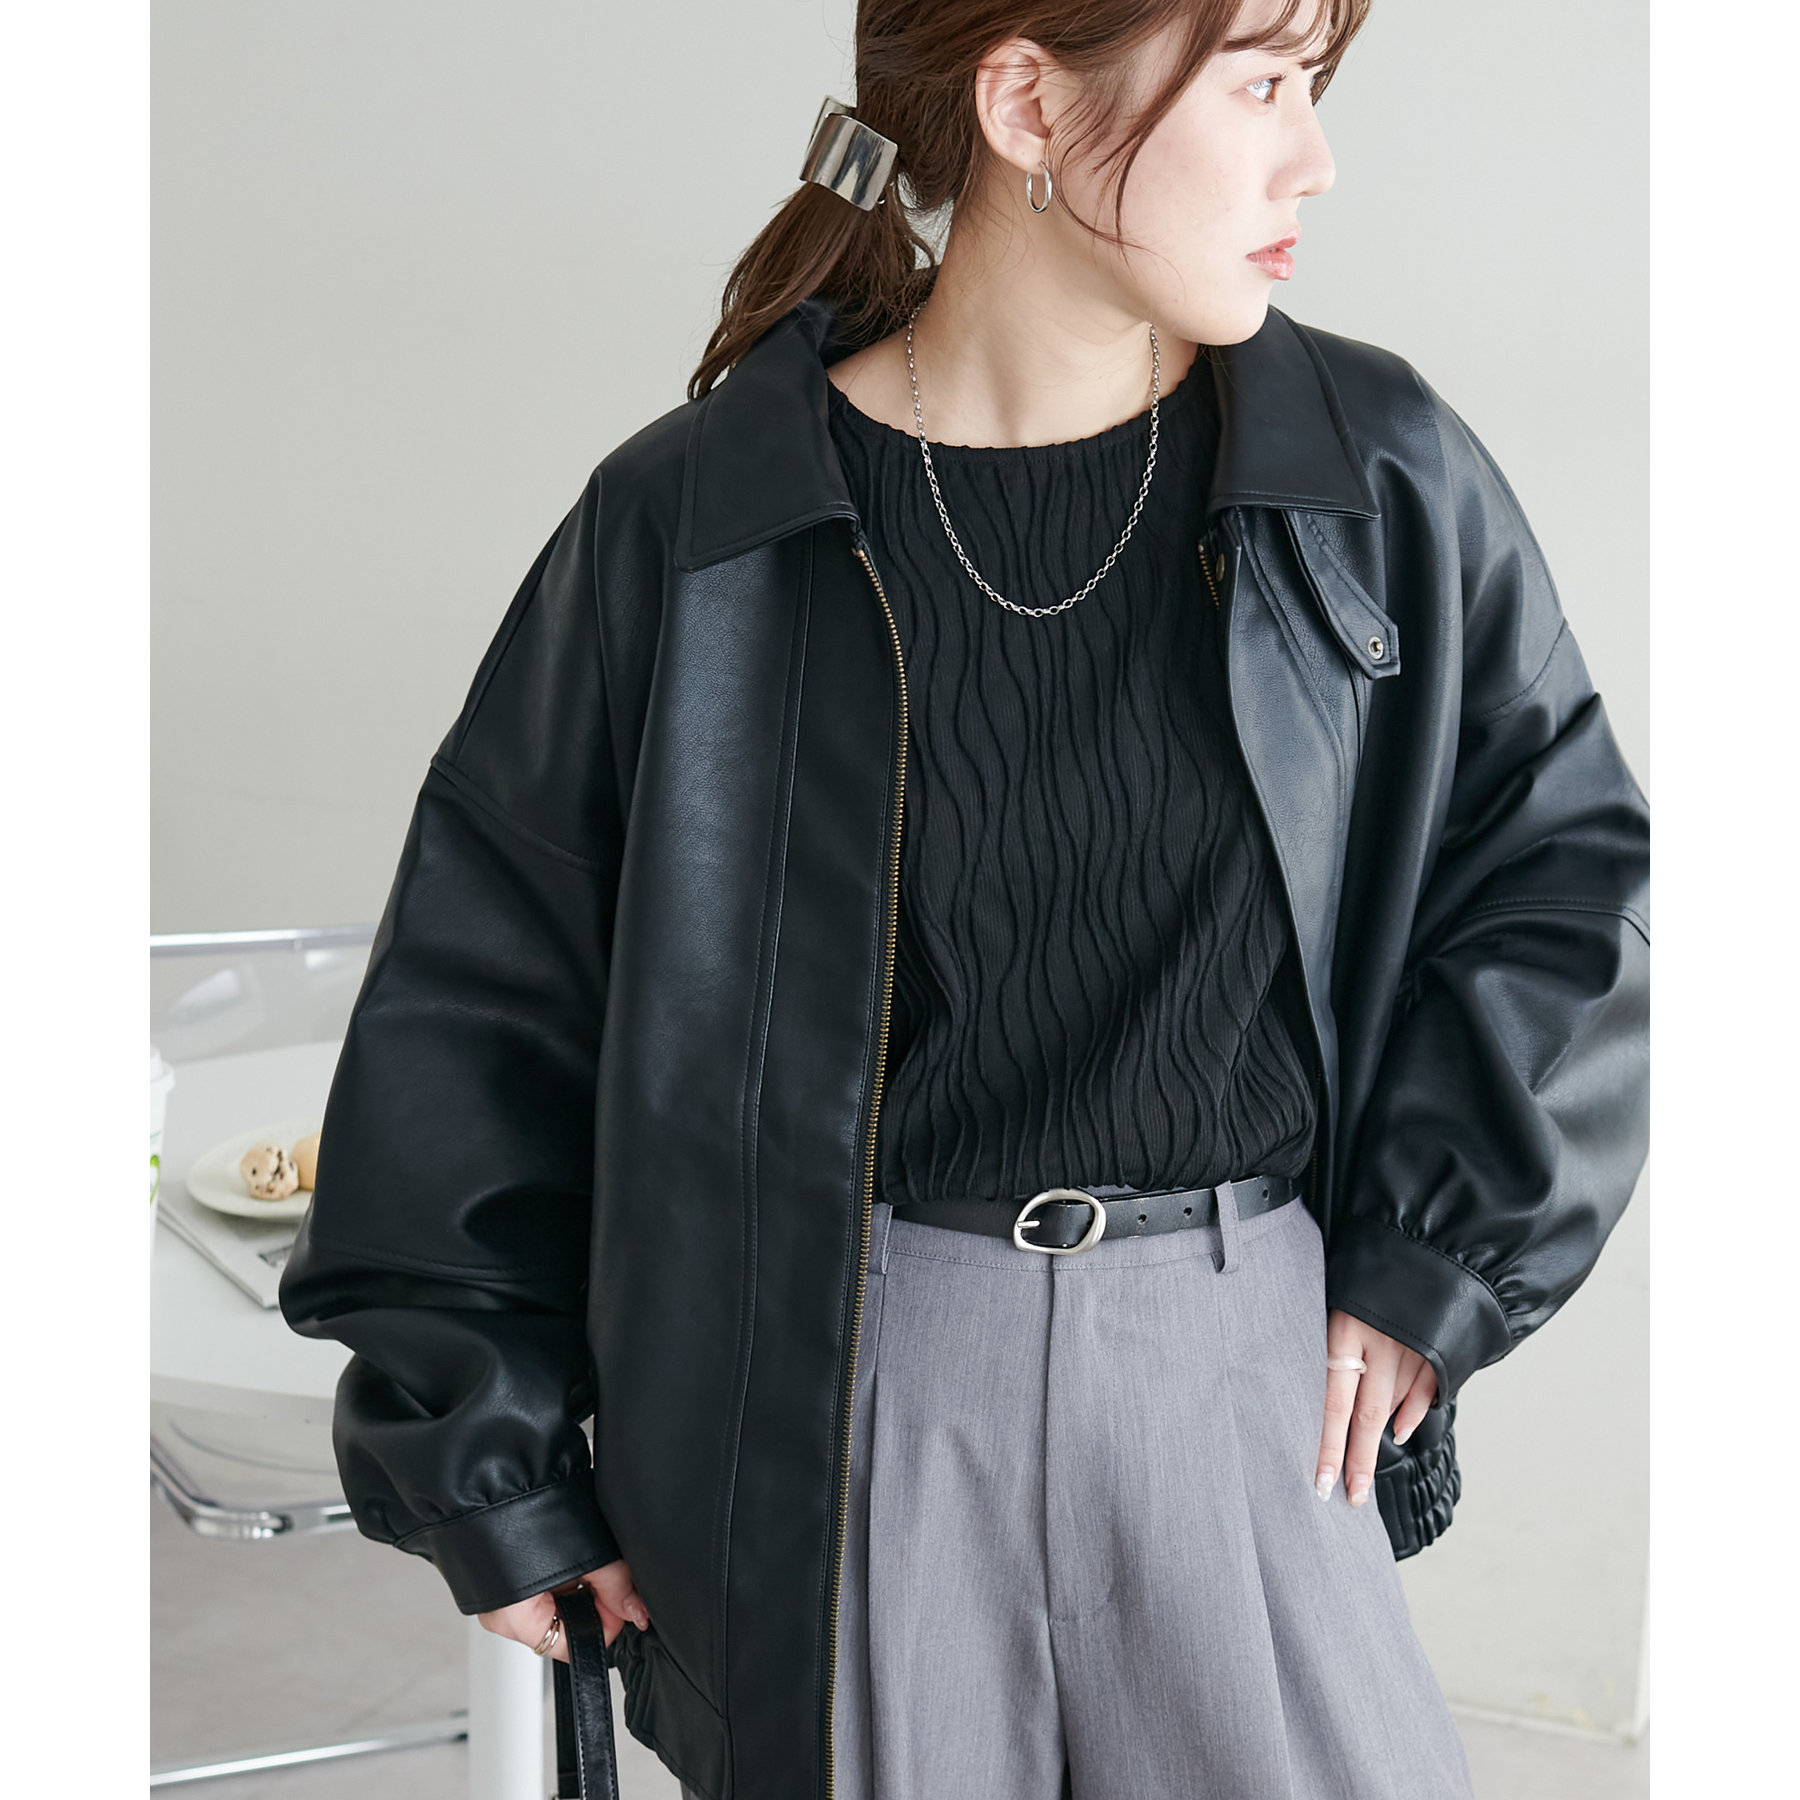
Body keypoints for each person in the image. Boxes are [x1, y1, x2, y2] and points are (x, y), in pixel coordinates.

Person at [280, 0, 1650, 1795]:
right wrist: (498, 1463)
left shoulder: (1368, 471)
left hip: (1243, 1370)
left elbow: (1564, 872)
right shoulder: (696, 528)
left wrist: (1438, 1254)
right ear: (1024, 102)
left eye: (1310, 89)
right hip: (854, 1399)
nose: (1313, 159)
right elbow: (482, 1001)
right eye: (1260, 85)